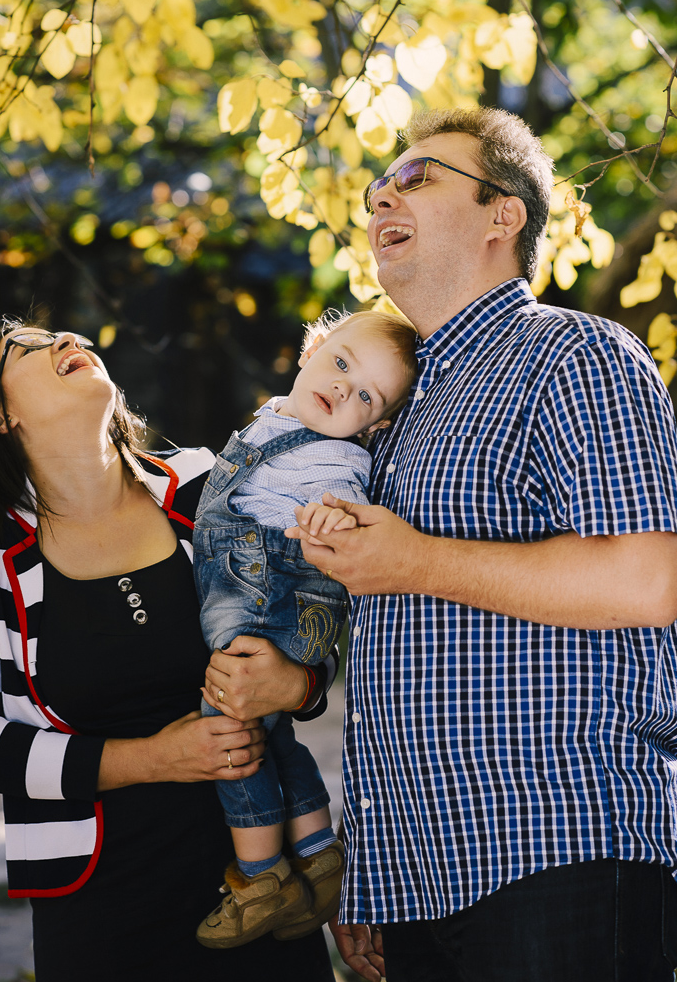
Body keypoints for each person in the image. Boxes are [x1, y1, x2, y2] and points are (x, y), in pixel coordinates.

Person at [288, 107, 677, 982]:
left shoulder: (575, 354)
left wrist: (414, 559)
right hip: (416, 879)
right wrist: (372, 873)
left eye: (416, 178)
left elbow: (649, 579)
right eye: (377, 187)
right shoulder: (393, 412)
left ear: (501, 214)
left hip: (561, 848)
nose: (381, 198)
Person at [0, 319, 337, 982]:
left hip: (264, 885)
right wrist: (154, 758)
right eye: (28, 345)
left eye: (63, 333)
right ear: (0, 416)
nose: (66, 339)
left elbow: (312, 612)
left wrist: (298, 683)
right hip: (101, 910)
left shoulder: (205, 483)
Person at [194, 309, 417, 948]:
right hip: (252, 592)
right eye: (341, 363)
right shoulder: (278, 417)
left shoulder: (338, 460)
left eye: (366, 396)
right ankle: (317, 851)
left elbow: (346, 512)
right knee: (270, 730)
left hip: (275, 597)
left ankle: (261, 875)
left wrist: (332, 522)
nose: (344, 388)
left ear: (374, 426)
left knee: (229, 722)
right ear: (312, 347)